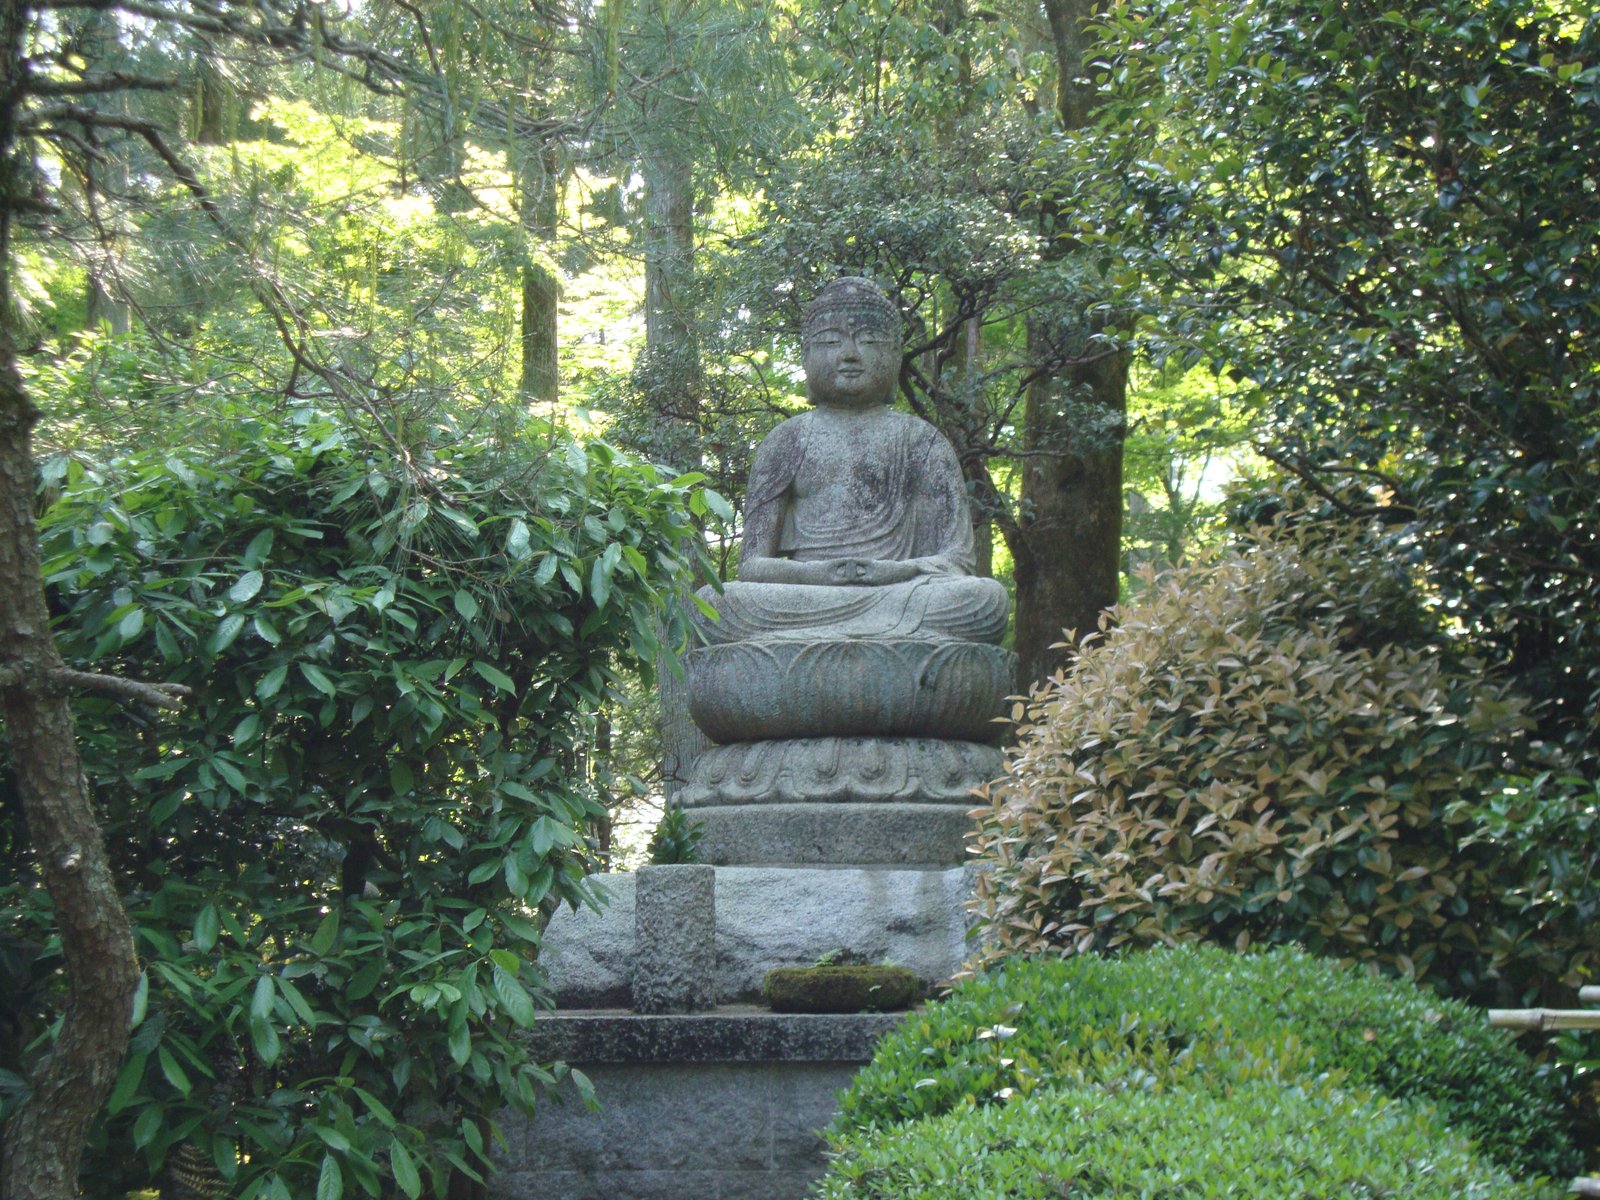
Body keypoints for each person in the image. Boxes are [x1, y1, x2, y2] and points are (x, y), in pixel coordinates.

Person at [696, 277, 1007, 646]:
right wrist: (820, 574)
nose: (849, 355)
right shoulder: (786, 440)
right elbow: (752, 566)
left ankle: (824, 640)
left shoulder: (922, 441)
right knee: (715, 604)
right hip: (809, 594)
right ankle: (875, 638)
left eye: (869, 341)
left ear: (895, 355)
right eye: (830, 342)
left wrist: (893, 572)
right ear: (806, 356)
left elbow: (955, 562)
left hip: (897, 592)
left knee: (984, 600)